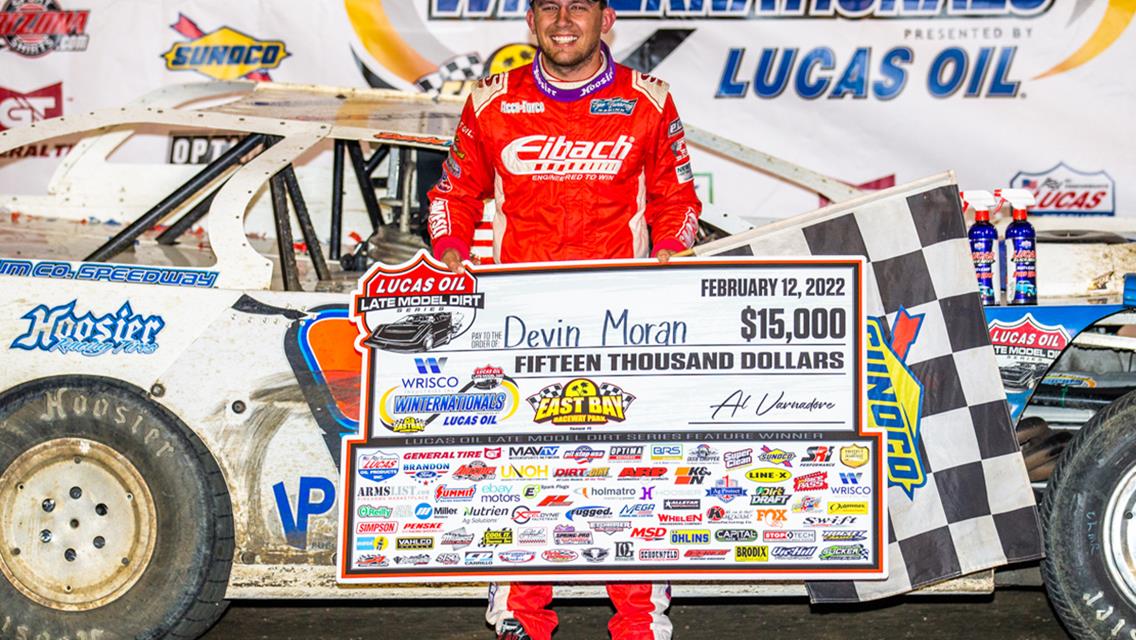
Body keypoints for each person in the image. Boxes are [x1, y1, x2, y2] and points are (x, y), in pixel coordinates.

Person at [427, 1, 702, 638]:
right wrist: (449, 258)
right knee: (522, 471)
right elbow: (453, 195)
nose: (563, 20)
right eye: (549, 6)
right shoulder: (491, 100)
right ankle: (519, 618)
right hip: (522, 317)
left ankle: (639, 624)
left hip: (624, 319)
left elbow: (676, 198)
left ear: (605, 20)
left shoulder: (649, 100)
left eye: (578, 6)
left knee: (633, 473)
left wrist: (669, 257)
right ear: (532, 20)